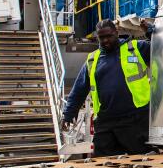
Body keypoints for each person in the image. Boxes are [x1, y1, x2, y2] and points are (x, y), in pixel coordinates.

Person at [62, 19, 156, 156]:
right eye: (101, 37)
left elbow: (161, 50)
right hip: (106, 123)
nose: (106, 40)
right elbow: (79, 89)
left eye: (109, 36)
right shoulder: (92, 59)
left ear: (116, 33)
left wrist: (150, 32)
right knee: (103, 164)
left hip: (135, 120)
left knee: (142, 163)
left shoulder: (136, 48)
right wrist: (68, 113)